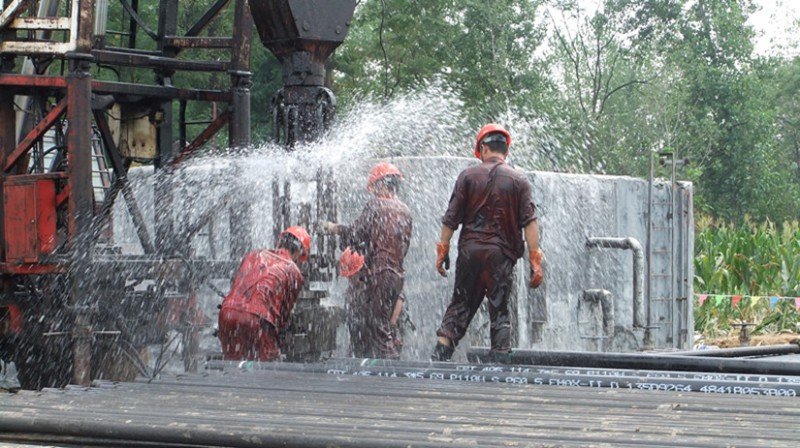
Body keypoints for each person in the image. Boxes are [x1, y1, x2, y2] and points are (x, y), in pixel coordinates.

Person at [431, 123, 543, 362]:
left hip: (470, 253)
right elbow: (530, 223)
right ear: (506, 151)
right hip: (500, 257)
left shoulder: (468, 176)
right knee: (500, 311)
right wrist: (535, 259)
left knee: (459, 305)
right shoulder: (519, 180)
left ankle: (436, 363)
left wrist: (443, 250)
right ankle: (500, 369)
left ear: (482, 148)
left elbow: (450, 220)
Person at [320, 162, 413, 359]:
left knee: (377, 326)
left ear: (380, 185)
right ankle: (389, 364)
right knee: (384, 325)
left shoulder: (376, 205)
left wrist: (334, 228)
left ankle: (389, 370)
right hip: (397, 275)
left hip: (381, 272)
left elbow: (356, 234)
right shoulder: (405, 210)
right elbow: (403, 246)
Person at [217, 226, 311, 361]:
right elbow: (283, 316)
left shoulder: (253, 255)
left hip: (227, 314)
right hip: (258, 320)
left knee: (234, 364)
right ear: (299, 252)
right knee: (268, 369)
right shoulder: (293, 271)